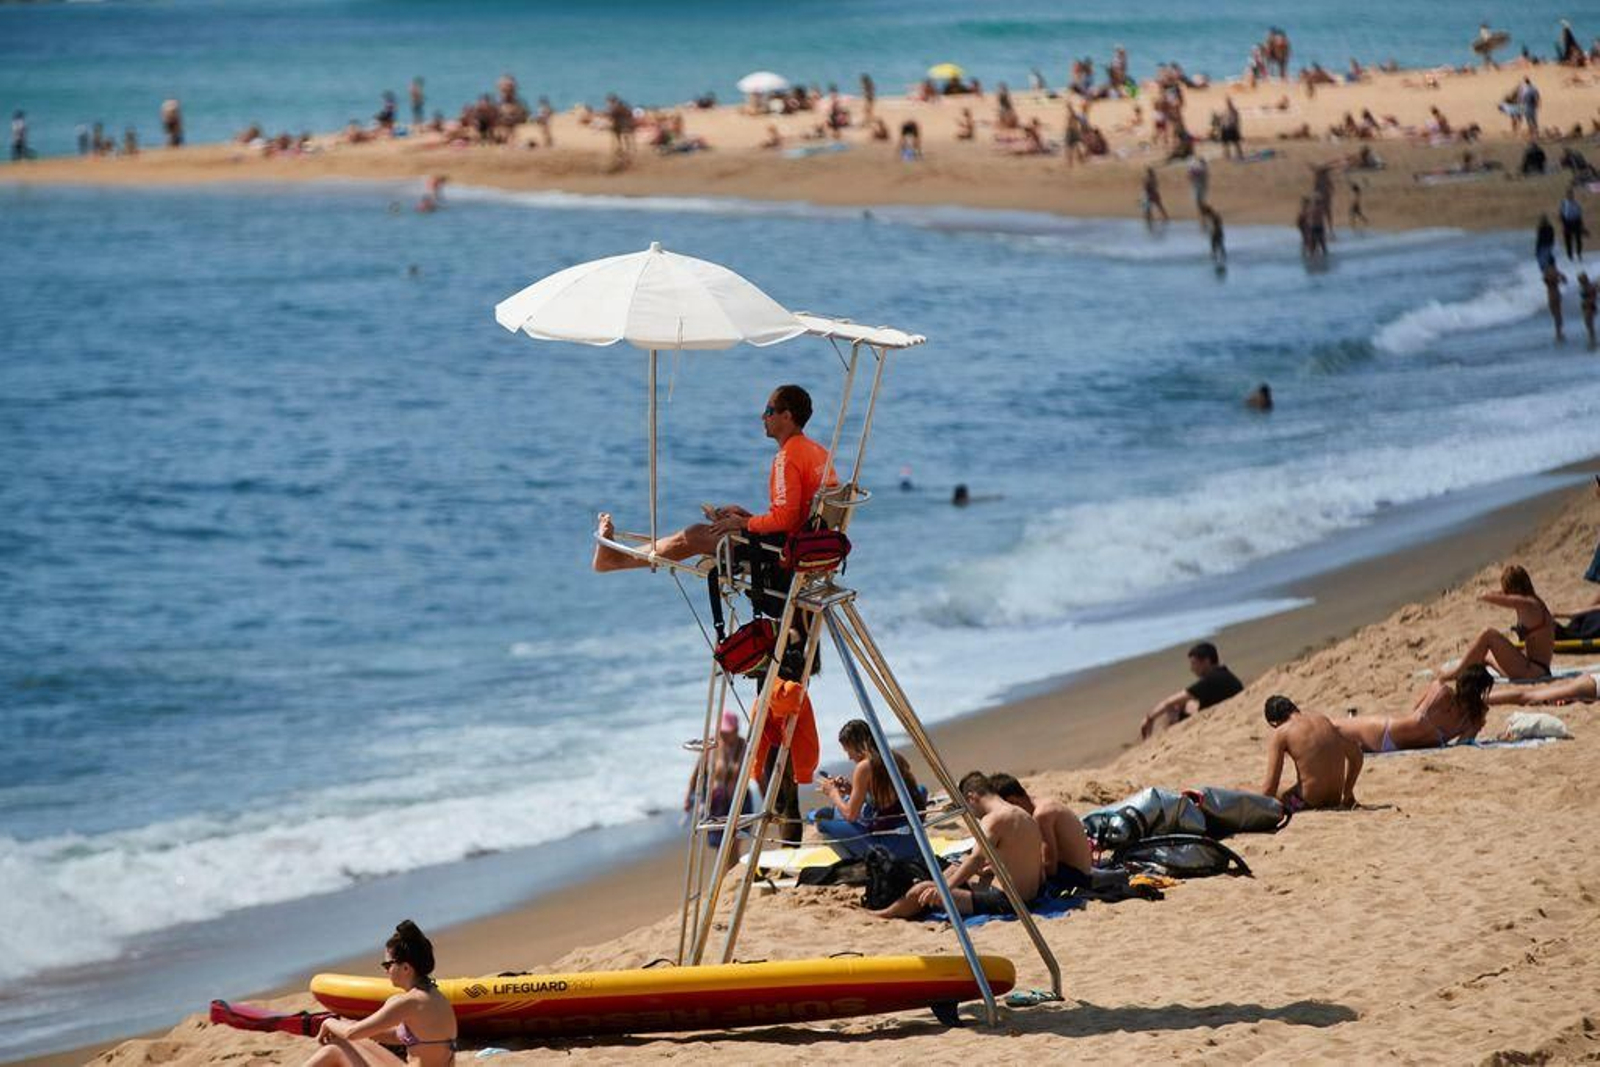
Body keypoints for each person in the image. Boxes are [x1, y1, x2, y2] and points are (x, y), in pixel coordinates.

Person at [594, 384, 836, 572]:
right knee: (707, 531)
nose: (763, 416)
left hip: (780, 551)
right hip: (803, 544)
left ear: (787, 416)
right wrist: (748, 518)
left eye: (769, 410)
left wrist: (742, 524)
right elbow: (796, 516)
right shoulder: (818, 452)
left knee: (694, 536)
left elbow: (787, 518)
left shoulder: (787, 458)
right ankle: (618, 558)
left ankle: (615, 561)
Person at [871, 772, 1044, 919]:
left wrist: (943, 889)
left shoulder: (993, 819)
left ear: (971, 797)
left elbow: (975, 860)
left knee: (922, 890)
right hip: (1031, 896)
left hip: (1008, 903)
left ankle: (883, 915)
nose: (969, 814)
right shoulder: (1024, 815)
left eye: (966, 808)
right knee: (956, 867)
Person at [308, 921, 457, 1066]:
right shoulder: (434, 995)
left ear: (406, 968)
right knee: (344, 1041)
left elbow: (350, 1033)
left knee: (335, 1049)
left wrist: (328, 1022)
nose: (385, 970)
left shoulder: (409, 1002)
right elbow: (398, 1036)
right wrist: (359, 1026)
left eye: (387, 965)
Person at [812, 719, 926, 860]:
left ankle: (859, 864)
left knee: (823, 822)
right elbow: (887, 798)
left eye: (848, 751)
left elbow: (850, 815)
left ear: (857, 746)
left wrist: (833, 793)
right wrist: (851, 790)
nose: (849, 757)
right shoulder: (894, 757)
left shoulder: (864, 767)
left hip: (889, 846)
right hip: (913, 840)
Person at [1337, 666, 1493, 753]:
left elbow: (1461, 748)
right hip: (1383, 731)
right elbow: (1415, 710)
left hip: (1390, 741)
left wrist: (1478, 723)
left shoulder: (1471, 718)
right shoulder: (1442, 693)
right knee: (1332, 728)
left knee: (1335, 741)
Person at [1440, 565, 1556, 681]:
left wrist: (1480, 594)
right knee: (1485, 654)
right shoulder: (1532, 600)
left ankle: (1457, 673)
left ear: (1514, 588)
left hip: (1533, 671)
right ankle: (1468, 674)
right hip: (1530, 667)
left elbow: (1505, 599)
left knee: (1489, 634)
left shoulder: (1529, 604)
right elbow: (1503, 595)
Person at [988, 773, 1092, 890]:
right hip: (1072, 869)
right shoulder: (1035, 804)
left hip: (1076, 877)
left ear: (1012, 802)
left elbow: (1049, 866)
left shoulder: (1041, 815)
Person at [1258, 696, 1363, 810]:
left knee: (1248, 788)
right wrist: (1347, 792)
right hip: (1335, 799)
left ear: (1274, 723)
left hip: (1305, 803)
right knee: (1287, 785)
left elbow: (1270, 788)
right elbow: (1357, 755)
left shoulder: (1282, 732)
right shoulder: (1323, 720)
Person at [687, 710, 751, 870]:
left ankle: (731, 876)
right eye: (721, 731)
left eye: (727, 732)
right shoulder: (712, 746)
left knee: (733, 844)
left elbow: (756, 774)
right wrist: (689, 796)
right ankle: (725, 877)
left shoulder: (744, 746)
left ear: (736, 730)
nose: (723, 735)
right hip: (717, 803)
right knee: (720, 847)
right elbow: (698, 772)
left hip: (739, 800)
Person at [1140, 642, 1245, 738]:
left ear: (1206, 661)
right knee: (1185, 703)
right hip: (1225, 712)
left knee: (1172, 708)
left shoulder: (1210, 680)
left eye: (1194, 663)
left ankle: (1165, 740)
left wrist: (1149, 718)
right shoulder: (1224, 673)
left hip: (1218, 723)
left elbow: (1169, 702)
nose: (1192, 668)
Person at [1544, 263, 1569, 343]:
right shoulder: (1555, 273)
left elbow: (1546, 280)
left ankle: (1558, 332)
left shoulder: (1548, 274)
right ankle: (1559, 331)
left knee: (1555, 313)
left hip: (1552, 294)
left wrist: (1555, 275)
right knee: (1557, 313)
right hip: (1557, 294)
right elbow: (1565, 280)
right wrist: (1559, 274)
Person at [1559, 188, 1586, 261]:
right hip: (1568, 223)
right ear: (1566, 195)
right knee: (1568, 240)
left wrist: (1581, 224)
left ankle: (1579, 253)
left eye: (1571, 194)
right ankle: (1570, 254)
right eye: (1569, 194)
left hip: (1576, 221)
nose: (1570, 196)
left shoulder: (1577, 203)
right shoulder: (1564, 203)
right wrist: (1563, 222)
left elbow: (1579, 213)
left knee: (1578, 239)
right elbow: (1561, 213)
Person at [1579, 272, 1598, 349]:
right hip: (1588, 307)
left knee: (1589, 324)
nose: (1579, 281)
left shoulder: (1589, 287)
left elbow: (1593, 296)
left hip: (1589, 307)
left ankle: (1592, 341)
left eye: (1580, 280)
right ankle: (1592, 340)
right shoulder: (1588, 286)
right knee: (1589, 325)